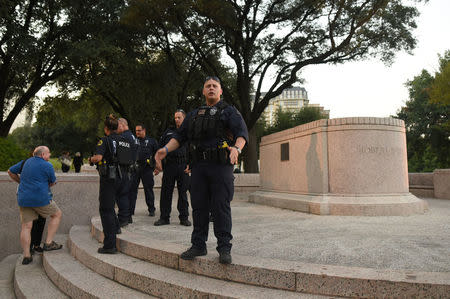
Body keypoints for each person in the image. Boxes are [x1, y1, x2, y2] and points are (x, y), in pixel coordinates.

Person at [155, 76, 248, 264]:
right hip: (198, 168)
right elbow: (179, 138)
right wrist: (164, 150)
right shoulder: (194, 114)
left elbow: (241, 134)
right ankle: (199, 245)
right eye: (208, 86)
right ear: (203, 91)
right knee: (198, 207)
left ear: (220, 91)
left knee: (221, 207)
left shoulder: (229, 112)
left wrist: (236, 149)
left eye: (215, 86)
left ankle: (224, 248)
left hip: (220, 167)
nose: (211, 88)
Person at [8, 146, 63, 265]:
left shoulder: (25, 162)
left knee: (26, 227)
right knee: (57, 214)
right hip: (40, 199)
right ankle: (48, 243)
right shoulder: (47, 165)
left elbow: (10, 171)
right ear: (43, 154)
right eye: (48, 153)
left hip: (24, 198)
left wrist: (20, 181)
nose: (49, 156)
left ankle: (27, 255)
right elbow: (53, 181)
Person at [88, 114, 133, 254]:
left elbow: (99, 157)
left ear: (106, 128)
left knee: (106, 209)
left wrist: (91, 159)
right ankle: (117, 227)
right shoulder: (125, 140)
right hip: (124, 177)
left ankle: (110, 245)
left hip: (110, 178)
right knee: (113, 207)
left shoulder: (105, 140)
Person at [154, 110, 191, 227]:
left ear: (184, 118)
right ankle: (164, 217)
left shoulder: (189, 132)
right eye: (175, 118)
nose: (176, 120)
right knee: (166, 192)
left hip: (183, 165)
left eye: (179, 117)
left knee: (183, 193)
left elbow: (193, 149)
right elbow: (160, 148)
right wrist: (157, 164)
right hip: (170, 165)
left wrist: (191, 164)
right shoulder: (168, 132)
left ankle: (184, 217)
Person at [129, 124, 158, 219]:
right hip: (135, 169)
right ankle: (130, 210)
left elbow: (157, 154)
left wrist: (157, 166)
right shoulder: (133, 141)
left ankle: (151, 209)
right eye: (136, 131)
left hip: (147, 169)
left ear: (144, 130)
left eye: (139, 130)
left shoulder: (151, 141)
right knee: (132, 190)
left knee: (148, 190)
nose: (137, 132)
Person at [116, 118, 139, 227]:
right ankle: (128, 216)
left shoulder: (124, 137)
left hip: (125, 169)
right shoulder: (133, 137)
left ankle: (123, 218)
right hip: (133, 169)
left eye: (117, 125)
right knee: (129, 194)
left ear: (122, 124)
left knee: (122, 194)